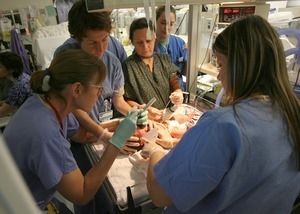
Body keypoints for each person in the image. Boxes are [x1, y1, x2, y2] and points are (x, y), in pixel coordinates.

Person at [141, 15, 300, 213]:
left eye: (222, 65)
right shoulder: (292, 114)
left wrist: (155, 149)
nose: (218, 75)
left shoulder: (223, 125)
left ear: (240, 66)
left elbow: (159, 194)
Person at [2, 49, 140, 211]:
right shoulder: (45, 134)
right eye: (98, 88)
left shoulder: (48, 103)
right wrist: (117, 142)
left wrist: (119, 124)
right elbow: (81, 194)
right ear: (77, 89)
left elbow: (81, 135)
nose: (101, 94)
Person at [54, 1, 147, 213]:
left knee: (114, 194)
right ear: (77, 39)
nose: (100, 48)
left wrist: (133, 112)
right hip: (77, 135)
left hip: (102, 129)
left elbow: (118, 101)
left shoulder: (112, 61)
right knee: (89, 199)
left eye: (105, 39)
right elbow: (71, 107)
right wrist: (103, 134)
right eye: (92, 43)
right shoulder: (66, 59)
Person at [123, 17, 183, 121]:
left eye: (148, 41)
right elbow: (126, 99)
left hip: (169, 116)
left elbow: (173, 79)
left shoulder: (164, 59)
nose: (145, 46)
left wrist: (178, 92)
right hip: (145, 120)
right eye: (139, 42)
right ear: (132, 42)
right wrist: (142, 109)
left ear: (155, 39)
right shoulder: (128, 66)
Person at [155, 5, 188, 91]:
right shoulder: (147, 45)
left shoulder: (180, 43)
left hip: (178, 94)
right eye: (163, 23)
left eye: (171, 24)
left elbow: (185, 72)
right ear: (155, 22)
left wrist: (190, 58)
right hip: (158, 96)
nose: (167, 27)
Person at [0, 51, 32, 117]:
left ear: (11, 69)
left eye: (0, 67)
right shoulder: (24, 77)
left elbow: (2, 111)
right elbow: (13, 101)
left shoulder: (17, 87)